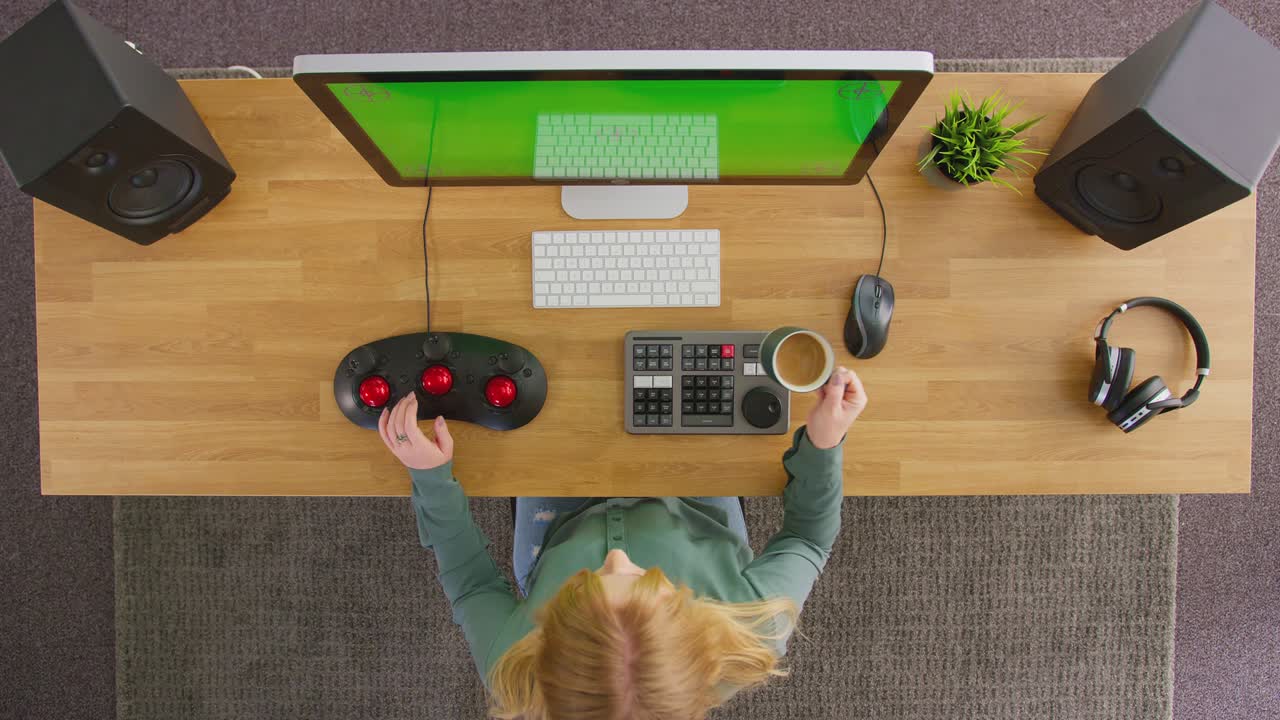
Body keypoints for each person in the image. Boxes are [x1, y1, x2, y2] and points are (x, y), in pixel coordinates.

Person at [379, 367, 868, 720]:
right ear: (692, 623)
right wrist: (824, 443)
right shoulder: (753, 625)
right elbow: (808, 537)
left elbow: (471, 584)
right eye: (644, 577)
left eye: (583, 588)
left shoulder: (516, 667)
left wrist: (431, 478)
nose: (614, 557)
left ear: (549, 642)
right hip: (693, 501)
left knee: (545, 383)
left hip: (561, 524)